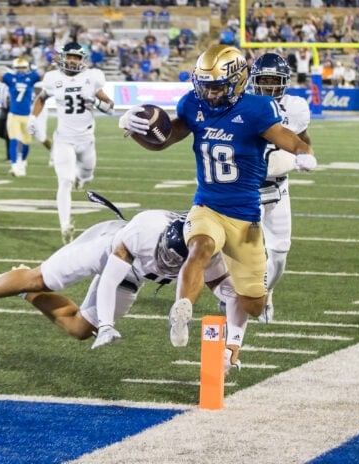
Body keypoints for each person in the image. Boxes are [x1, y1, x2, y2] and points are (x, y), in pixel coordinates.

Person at [119, 44, 315, 348]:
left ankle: (251, 304)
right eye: (205, 86)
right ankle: (181, 310)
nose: (209, 94)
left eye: (216, 87)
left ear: (237, 80)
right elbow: (164, 139)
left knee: (255, 305)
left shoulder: (256, 109)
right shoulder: (193, 106)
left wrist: (303, 151)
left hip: (246, 215)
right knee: (200, 248)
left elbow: (287, 137)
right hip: (207, 204)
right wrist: (135, 129)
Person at [0, 205, 247, 373]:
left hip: (134, 276)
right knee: (41, 278)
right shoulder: (146, 230)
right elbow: (109, 279)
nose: (166, 264)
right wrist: (108, 325)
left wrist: (234, 343)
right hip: (108, 249)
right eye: (164, 255)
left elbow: (233, 298)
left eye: (175, 262)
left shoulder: (207, 254)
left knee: (81, 329)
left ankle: (23, 289)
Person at [249, 52, 314, 323]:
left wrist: (306, 154)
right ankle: (234, 294)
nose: (268, 86)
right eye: (263, 80)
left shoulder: (295, 107)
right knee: (240, 249)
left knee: (279, 254)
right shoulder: (244, 103)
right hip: (246, 187)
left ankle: (266, 293)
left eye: (273, 81)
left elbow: (302, 138)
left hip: (278, 188)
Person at [28, 42, 115, 245]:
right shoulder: (52, 79)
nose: (73, 60)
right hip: (63, 139)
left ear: (82, 59)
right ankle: (65, 225)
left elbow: (110, 108)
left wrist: (94, 102)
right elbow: (41, 99)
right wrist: (33, 118)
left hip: (86, 140)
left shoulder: (91, 78)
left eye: (76, 57)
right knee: (64, 181)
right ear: (62, 57)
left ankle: (80, 178)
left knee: (86, 175)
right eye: (70, 56)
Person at [0, 51, 41, 177]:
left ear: (27, 68)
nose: (21, 70)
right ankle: (14, 165)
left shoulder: (32, 77)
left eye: (23, 68)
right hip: (13, 114)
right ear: (14, 68)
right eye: (19, 68)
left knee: (27, 142)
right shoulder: (10, 78)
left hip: (27, 115)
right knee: (13, 140)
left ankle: (22, 162)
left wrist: (54, 63)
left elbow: (47, 76)